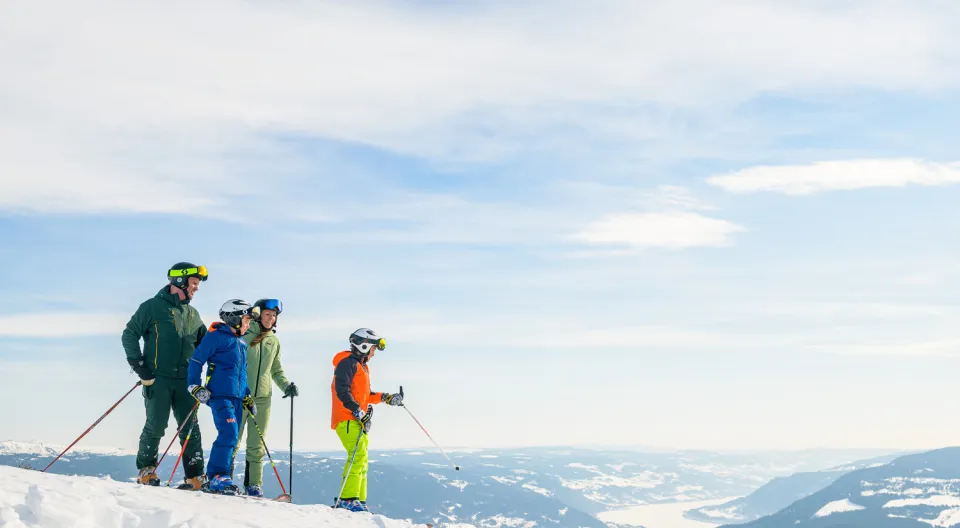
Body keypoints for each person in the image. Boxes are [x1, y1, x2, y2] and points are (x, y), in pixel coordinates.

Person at [122, 262, 209, 490]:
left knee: (190, 426)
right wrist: (139, 365)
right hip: (157, 379)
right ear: (180, 281)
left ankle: (195, 476)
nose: (196, 289)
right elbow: (130, 334)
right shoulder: (153, 307)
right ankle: (146, 469)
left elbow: (206, 344)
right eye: (193, 283)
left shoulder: (193, 314)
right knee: (156, 424)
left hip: (186, 382)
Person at [187, 299, 256, 494]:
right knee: (229, 432)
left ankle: (221, 476)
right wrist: (194, 385)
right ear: (234, 318)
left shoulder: (241, 342)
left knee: (233, 437)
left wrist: (247, 395)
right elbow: (196, 360)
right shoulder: (215, 337)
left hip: (236, 397)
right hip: (218, 395)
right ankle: (217, 476)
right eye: (246, 319)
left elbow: (242, 373)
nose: (248, 324)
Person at [330, 328, 404, 512]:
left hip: (358, 420)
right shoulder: (346, 364)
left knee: (363, 460)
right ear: (363, 345)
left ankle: (359, 500)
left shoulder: (362, 367)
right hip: (347, 418)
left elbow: (365, 396)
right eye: (373, 349)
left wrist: (386, 397)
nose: (373, 354)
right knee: (357, 457)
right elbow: (342, 391)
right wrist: (357, 411)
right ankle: (347, 499)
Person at [236, 298, 298, 497]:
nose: (271, 319)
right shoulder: (243, 334)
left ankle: (254, 485)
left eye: (274, 316)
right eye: (267, 314)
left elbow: (276, 370)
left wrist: (286, 386)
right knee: (232, 439)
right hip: (239, 395)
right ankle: (222, 478)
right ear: (258, 314)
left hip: (263, 398)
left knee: (257, 443)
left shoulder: (273, 341)